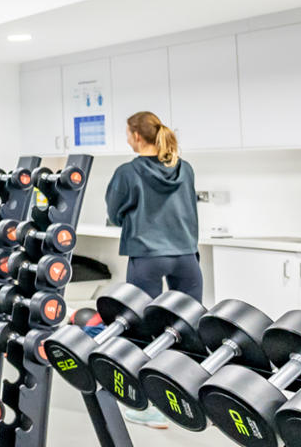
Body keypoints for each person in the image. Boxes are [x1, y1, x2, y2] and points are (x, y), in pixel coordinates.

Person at [105, 110, 201, 429]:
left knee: (143, 329)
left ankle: (149, 406)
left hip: (148, 255)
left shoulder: (128, 172)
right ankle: (190, 402)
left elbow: (115, 213)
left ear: (135, 136)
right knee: (187, 329)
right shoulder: (183, 168)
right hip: (186, 256)